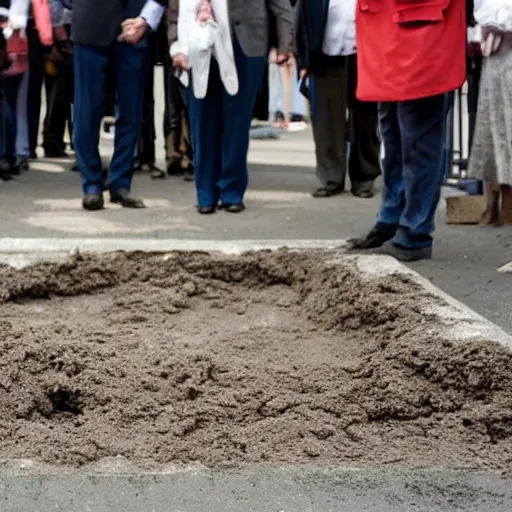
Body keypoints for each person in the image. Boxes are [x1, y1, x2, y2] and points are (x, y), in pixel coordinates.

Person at [350, 0, 467, 261]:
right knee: (392, 135)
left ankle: (415, 232)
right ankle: (391, 219)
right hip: (388, 27)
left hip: (420, 27)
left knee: (419, 140)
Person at [171, 0, 294, 214]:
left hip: (245, 42)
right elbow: (173, 7)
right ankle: (206, 193)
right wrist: (175, 45)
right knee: (202, 121)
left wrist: (285, 44)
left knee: (236, 122)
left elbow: (281, 4)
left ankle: (232, 191)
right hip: (197, 39)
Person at [71, 0, 166, 211]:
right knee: (86, 111)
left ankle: (121, 184)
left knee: (131, 112)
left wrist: (147, 18)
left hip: (135, 25)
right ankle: (92, 185)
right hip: (90, 24)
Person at [297, 0, 381, 199]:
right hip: (325, 53)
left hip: (364, 52)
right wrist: (303, 59)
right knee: (327, 120)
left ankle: (364, 178)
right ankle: (331, 178)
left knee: (365, 118)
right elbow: (303, 19)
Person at [468, 0, 512, 225]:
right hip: (494, 55)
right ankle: (492, 202)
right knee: (491, 124)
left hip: (507, 53)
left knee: (506, 125)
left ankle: (506, 203)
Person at [0, 0, 31, 180]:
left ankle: (8, 156)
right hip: (12, 46)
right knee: (8, 103)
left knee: (8, 104)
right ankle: (9, 157)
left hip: (10, 48)